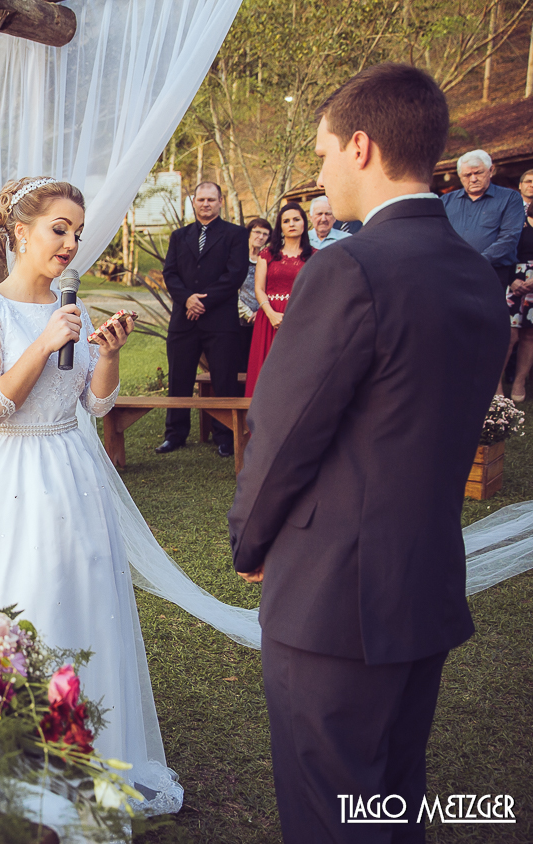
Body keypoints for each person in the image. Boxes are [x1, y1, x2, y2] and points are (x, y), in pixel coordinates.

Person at [228, 63, 508, 841]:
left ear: (360, 146)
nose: (318, 173)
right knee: (390, 799)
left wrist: (250, 541)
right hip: (423, 586)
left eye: (321, 153)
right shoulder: (478, 276)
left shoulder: (350, 268)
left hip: (332, 601)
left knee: (332, 814)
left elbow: (286, 432)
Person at [0, 176, 184, 814]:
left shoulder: (78, 310)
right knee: (15, 599)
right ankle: (9, 745)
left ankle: (83, 741)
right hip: (9, 476)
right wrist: (43, 342)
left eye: (76, 233)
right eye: (58, 229)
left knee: (80, 597)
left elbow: (95, 402)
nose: (69, 244)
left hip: (72, 471)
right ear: (20, 233)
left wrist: (108, 355)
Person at [157, 182, 249, 457]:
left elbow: (235, 275)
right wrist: (187, 299)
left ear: (221, 201)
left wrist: (202, 302)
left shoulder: (235, 235)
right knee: (179, 378)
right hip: (183, 320)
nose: (206, 204)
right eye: (201, 199)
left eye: (211, 199)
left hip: (220, 321)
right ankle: (175, 434)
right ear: (194, 202)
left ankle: (225, 435)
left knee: (224, 380)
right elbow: (170, 273)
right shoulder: (179, 236)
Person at [245, 203, 313, 396]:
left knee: (296, 370)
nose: (291, 224)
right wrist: (271, 314)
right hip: (270, 318)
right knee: (267, 369)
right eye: (286, 221)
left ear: (304, 223)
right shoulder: (267, 254)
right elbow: (259, 288)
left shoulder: (315, 256)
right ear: (280, 227)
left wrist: (298, 316)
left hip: (301, 319)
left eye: (296, 219)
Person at [441, 149, 524, 289]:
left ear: (490, 170)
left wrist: (478, 260)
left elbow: (510, 237)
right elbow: (438, 234)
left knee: (488, 311)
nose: (473, 179)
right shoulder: (446, 200)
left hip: (492, 271)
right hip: (453, 271)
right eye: (467, 175)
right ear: (460, 176)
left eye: (478, 173)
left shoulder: (510, 198)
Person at [507, 173, 533, 400]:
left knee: (529, 336)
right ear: (520, 186)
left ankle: (519, 383)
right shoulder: (512, 211)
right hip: (513, 278)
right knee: (510, 335)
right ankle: (496, 384)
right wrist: (510, 278)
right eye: (529, 181)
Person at [237, 218, 271, 373]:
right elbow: (231, 290)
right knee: (241, 364)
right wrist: (248, 313)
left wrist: (262, 312)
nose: (261, 236)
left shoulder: (269, 259)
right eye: (257, 232)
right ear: (249, 233)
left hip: (264, 317)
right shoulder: (237, 257)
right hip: (240, 319)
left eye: (265, 234)